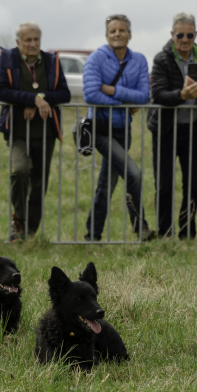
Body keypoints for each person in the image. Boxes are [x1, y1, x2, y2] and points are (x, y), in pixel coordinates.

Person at [0, 22, 70, 241]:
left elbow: (64, 93)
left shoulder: (52, 61)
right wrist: (31, 99)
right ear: (18, 42)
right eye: (28, 40)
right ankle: (18, 220)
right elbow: (0, 91)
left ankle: (30, 232)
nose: (33, 44)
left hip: (46, 132)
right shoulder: (7, 59)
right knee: (20, 170)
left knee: (39, 182)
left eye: (36, 39)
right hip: (17, 131)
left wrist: (41, 100)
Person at [147, 12, 197, 239]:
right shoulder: (162, 58)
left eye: (189, 35)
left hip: (194, 130)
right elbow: (158, 94)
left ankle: (187, 231)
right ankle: (165, 232)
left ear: (195, 35)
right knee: (165, 185)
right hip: (166, 130)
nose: (185, 39)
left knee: (192, 185)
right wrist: (182, 94)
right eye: (180, 35)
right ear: (172, 34)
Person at [82, 14, 152, 242]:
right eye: (113, 31)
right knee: (134, 173)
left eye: (122, 30)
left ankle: (92, 234)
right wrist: (124, 104)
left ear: (129, 34)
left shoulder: (139, 60)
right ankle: (140, 227)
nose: (117, 34)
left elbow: (143, 96)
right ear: (106, 35)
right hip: (101, 129)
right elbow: (91, 94)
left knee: (106, 184)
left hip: (124, 131)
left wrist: (112, 92)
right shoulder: (96, 59)